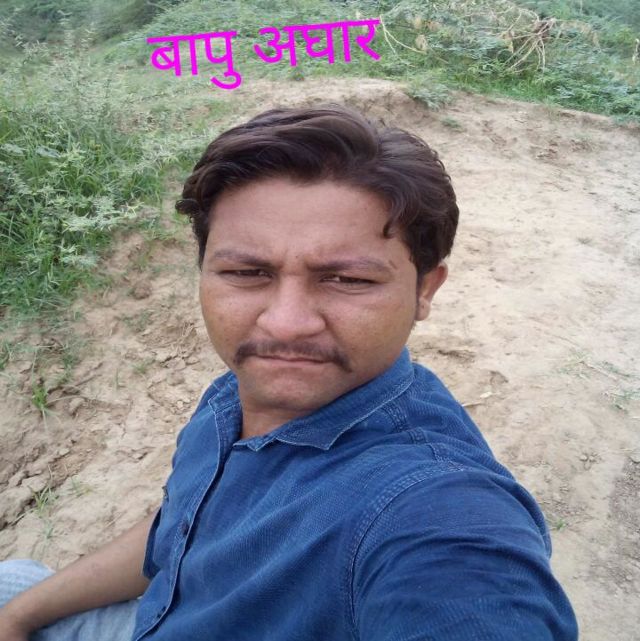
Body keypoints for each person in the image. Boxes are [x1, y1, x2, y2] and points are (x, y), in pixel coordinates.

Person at [0, 104, 578, 640]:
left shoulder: (434, 511)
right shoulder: (235, 397)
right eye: (247, 273)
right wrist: (18, 618)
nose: (286, 323)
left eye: (348, 279)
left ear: (425, 289)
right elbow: (182, 527)